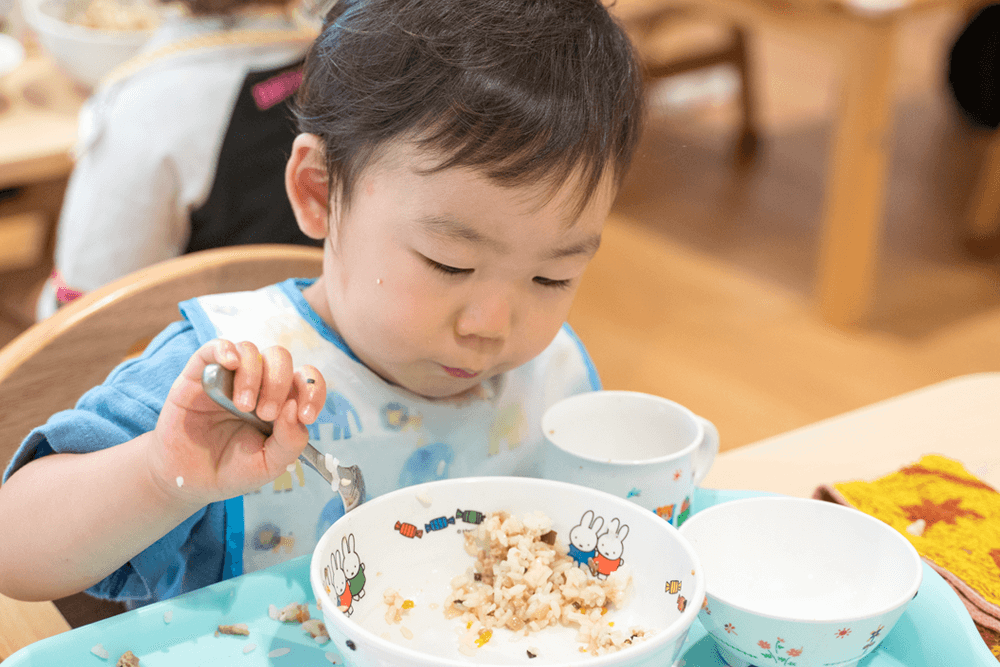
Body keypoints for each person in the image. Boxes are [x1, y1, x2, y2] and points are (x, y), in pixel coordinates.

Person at [0, 0, 645, 607]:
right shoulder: (235, 384)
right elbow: (14, 547)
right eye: (450, 264)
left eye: (552, 279)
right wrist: (160, 474)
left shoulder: (549, 379)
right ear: (317, 190)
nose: (491, 328)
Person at [35, 0, 324, 319]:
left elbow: (81, 307)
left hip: (200, 354)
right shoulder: (341, 67)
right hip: (319, 338)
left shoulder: (147, 110)